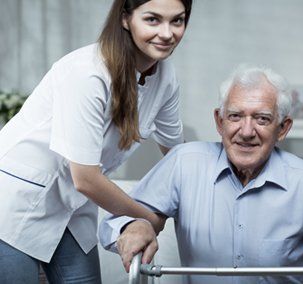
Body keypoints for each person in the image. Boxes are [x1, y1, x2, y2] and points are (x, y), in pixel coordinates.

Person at [100, 66, 303, 284]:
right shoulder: (184, 163)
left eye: (262, 119)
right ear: (219, 121)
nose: (246, 131)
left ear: (283, 128)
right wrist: (132, 226)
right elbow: (114, 222)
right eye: (235, 116)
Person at [0, 0, 192, 283]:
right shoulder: (87, 72)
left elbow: (179, 156)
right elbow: (86, 179)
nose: (167, 33)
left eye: (177, 20)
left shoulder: (165, 78)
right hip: (16, 204)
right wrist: (149, 220)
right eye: (152, 19)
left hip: (74, 210)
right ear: (126, 18)